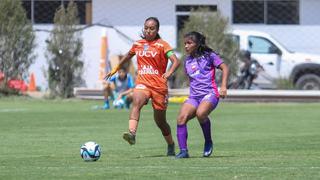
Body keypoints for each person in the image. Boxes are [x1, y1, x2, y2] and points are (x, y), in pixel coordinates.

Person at [105, 17, 180, 156]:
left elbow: (175, 61)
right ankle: (132, 134)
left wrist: (169, 72)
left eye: (152, 28)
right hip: (143, 83)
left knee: (160, 122)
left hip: (159, 87)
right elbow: (128, 56)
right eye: (146, 28)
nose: (148, 31)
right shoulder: (138, 44)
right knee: (136, 101)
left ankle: (171, 144)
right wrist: (116, 68)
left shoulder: (162, 45)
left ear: (157, 30)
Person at [175, 31, 229, 158]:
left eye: (189, 43)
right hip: (194, 97)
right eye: (185, 43)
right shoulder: (187, 60)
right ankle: (183, 151)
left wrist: (224, 86)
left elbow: (225, 68)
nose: (186, 46)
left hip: (210, 94)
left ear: (197, 44)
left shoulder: (209, 56)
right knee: (181, 119)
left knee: (201, 113)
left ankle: (208, 141)